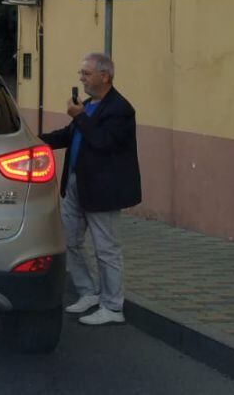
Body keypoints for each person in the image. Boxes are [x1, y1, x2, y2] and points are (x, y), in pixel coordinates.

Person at [42, 52, 141, 327]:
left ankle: (113, 306)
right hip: (76, 183)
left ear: (104, 76)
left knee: (105, 248)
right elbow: (68, 134)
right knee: (69, 240)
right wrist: (34, 141)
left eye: (86, 73)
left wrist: (80, 117)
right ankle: (88, 292)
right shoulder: (87, 105)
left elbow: (103, 142)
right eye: (81, 73)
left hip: (103, 189)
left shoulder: (120, 109)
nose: (81, 78)